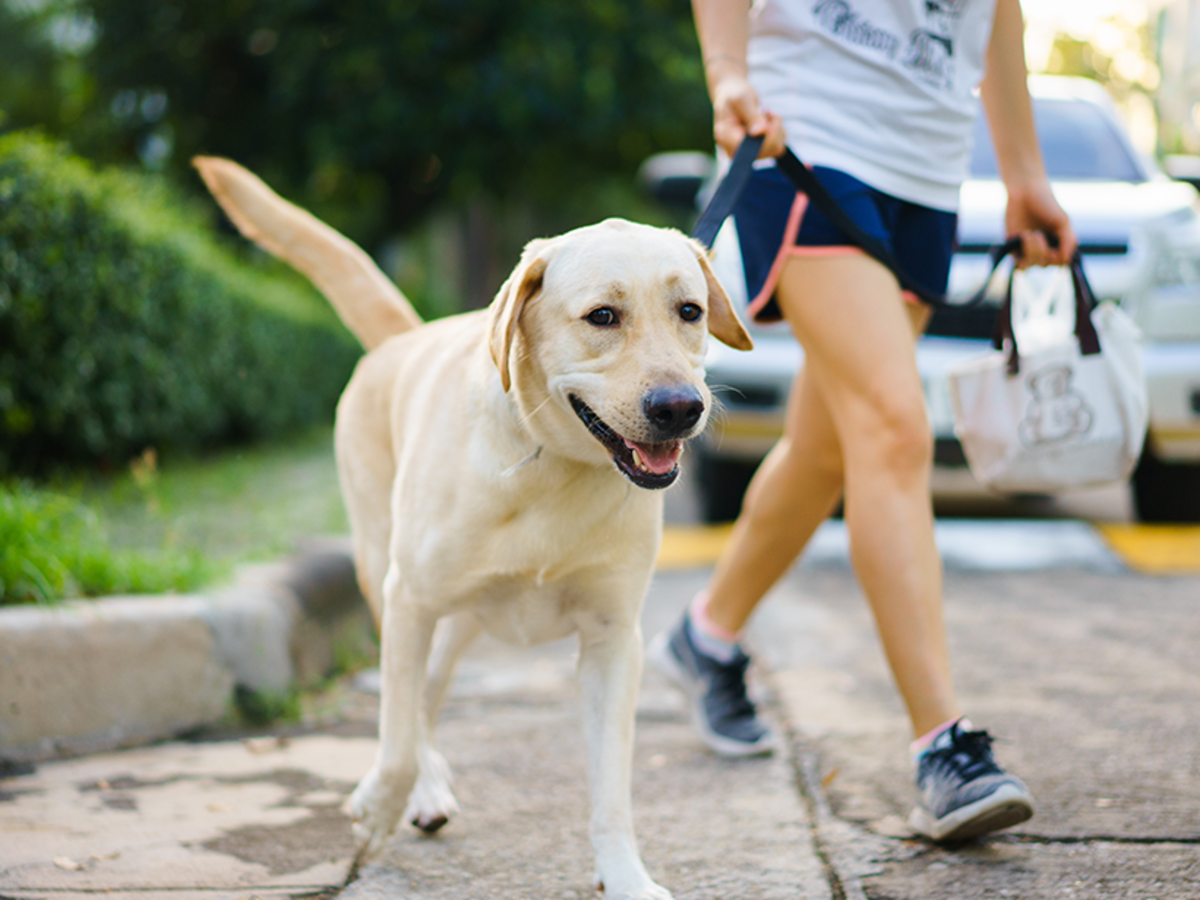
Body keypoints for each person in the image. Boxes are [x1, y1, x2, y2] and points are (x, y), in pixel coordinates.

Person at [651, 0, 1078, 842]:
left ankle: (707, 636)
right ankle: (943, 751)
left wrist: (1024, 172)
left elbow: (998, 10)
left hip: (926, 164)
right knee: (892, 426)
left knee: (827, 448)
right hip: (805, 137)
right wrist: (725, 71)